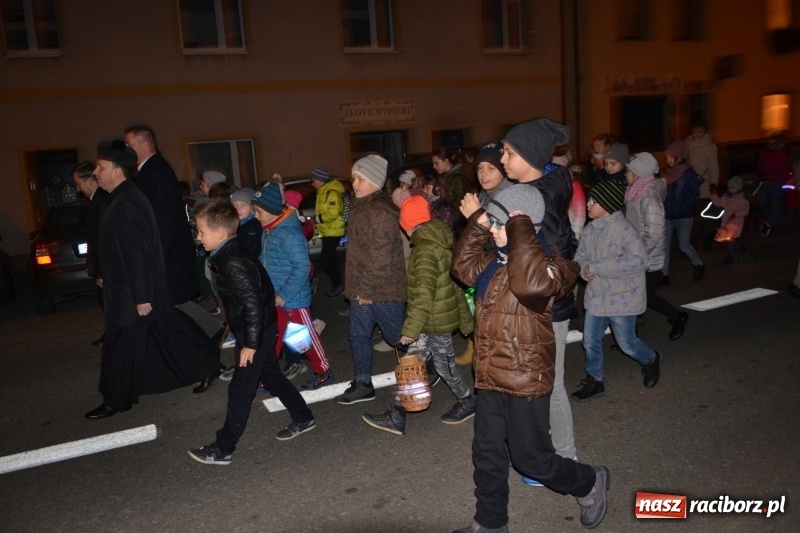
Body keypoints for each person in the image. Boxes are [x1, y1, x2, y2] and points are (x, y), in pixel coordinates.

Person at [451, 184, 608, 532]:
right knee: (487, 455)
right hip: (490, 375)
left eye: (496, 223)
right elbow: (462, 269)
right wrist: (479, 222)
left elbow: (529, 286)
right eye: (490, 223)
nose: (491, 230)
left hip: (525, 379)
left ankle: (588, 482)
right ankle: (491, 523)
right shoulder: (493, 260)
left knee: (531, 460)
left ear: (521, 225)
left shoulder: (552, 266)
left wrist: (520, 227)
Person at [86, 140, 220, 419]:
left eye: (101, 167)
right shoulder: (118, 198)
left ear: (117, 171)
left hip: (133, 292)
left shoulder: (129, 201)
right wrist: (104, 274)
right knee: (166, 332)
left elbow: (138, 254)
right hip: (128, 289)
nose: (96, 172)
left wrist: (141, 296)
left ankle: (117, 399)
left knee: (122, 344)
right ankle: (208, 365)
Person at [188, 200, 316, 465]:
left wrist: (250, 344)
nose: (198, 237)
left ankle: (223, 449)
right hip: (258, 330)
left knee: (239, 390)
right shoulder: (228, 254)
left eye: (201, 232)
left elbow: (253, 305)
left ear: (220, 233)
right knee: (272, 377)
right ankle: (304, 417)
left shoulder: (233, 261)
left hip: (255, 334)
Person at [496, 117, 580, 479]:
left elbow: (551, 261)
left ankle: (566, 459)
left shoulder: (539, 202)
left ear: (529, 157)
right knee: (529, 382)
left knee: (552, 385)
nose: (502, 159)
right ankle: (535, 453)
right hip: (526, 308)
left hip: (547, 308)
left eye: (509, 152)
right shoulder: (535, 192)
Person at [362, 196, 475, 434]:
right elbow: (453, 286)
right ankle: (397, 414)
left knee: (445, 367)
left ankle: (468, 400)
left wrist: (410, 329)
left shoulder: (424, 250)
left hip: (436, 321)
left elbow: (423, 294)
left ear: (406, 224)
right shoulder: (436, 241)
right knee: (412, 362)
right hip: (431, 319)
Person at [572, 180, 661, 401]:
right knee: (590, 341)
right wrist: (584, 270)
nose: (588, 205)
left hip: (622, 298)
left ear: (608, 204)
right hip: (596, 296)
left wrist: (599, 268)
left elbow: (641, 261)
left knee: (626, 343)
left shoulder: (625, 230)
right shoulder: (589, 229)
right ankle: (595, 380)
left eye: (593, 201)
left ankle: (650, 359)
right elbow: (580, 256)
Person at [335, 155, 407, 405]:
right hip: (361, 288)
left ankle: (428, 358)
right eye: (353, 177)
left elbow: (380, 256)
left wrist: (366, 291)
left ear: (375, 181)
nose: (354, 183)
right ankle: (364, 383)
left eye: (360, 178)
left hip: (383, 291)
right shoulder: (360, 204)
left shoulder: (380, 209)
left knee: (395, 337)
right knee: (357, 335)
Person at [252, 182, 334, 390]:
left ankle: (323, 371)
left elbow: (302, 267)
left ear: (271, 211)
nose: (255, 216)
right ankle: (269, 374)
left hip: (294, 300)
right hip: (277, 297)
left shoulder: (288, 234)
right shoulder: (269, 231)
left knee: (304, 340)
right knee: (274, 337)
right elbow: (266, 260)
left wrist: (284, 295)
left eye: (258, 211)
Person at [123, 125, 198, 306]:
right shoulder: (147, 171)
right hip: (164, 258)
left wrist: (154, 259)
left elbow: (166, 220)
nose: (126, 149)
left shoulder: (157, 172)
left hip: (169, 260)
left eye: (129, 144)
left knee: (174, 316)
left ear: (144, 145)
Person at [624, 152, 689, 340]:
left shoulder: (649, 196)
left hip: (647, 256)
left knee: (645, 296)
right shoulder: (635, 192)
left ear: (638, 174)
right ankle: (629, 336)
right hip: (636, 252)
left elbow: (653, 232)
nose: (625, 175)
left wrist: (638, 254)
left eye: (628, 172)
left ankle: (678, 317)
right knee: (633, 295)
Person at [73, 160, 108, 347]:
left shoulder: (101, 201)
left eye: (79, 184)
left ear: (90, 180)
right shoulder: (96, 200)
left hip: (106, 266)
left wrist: (101, 271)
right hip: (101, 265)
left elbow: (102, 239)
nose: (78, 189)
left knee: (109, 302)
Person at [660, 139, 704, 286]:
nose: (667, 159)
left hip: (684, 216)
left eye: (669, 156)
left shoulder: (688, 172)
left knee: (684, 246)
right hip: (667, 216)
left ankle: (698, 264)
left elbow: (694, 194)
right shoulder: (665, 173)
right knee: (665, 246)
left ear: (678, 156)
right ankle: (664, 275)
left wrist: (683, 208)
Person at [310, 166, 346, 297]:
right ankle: (338, 285)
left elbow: (333, 213)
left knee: (326, 261)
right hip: (328, 232)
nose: (312, 183)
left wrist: (316, 219)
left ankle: (339, 285)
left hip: (333, 232)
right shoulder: (324, 191)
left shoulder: (331, 193)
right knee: (328, 260)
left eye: (313, 180)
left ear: (320, 180)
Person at [755, 131, 791, 237]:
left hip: (777, 182)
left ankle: (772, 225)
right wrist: (758, 174)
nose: (770, 145)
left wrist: (775, 176)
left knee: (776, 204)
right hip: (766, 181)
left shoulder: (782, 153)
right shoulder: (765, 153)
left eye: (772, 143)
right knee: (761, 202)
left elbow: (784, 169)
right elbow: (761, 165)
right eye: (769, 143)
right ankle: (771, 220)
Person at [709, 176, 750, 264]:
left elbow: (745, 210)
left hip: (735, 223)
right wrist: (714, 194)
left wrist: (736, 214)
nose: (730, 189)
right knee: (728, 240)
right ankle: (739, 248)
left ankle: (730, 256)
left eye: (733, 188)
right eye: (729, 187)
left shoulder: (742, 199)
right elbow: (719, 203)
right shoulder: (727, 196)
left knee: (730, 240)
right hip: (726, 221)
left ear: (739, 188)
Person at [230, 187, 261, 258]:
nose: (238, 208)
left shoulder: (254, 226)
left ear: (252, 209)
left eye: (243, 205)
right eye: (235, 205)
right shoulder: (235, 225)